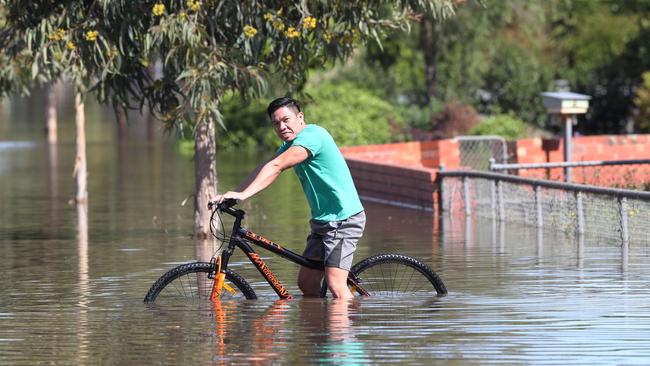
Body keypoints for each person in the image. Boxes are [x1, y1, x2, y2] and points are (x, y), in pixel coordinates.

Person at [213, 96, 365, 299]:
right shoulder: (290, 145)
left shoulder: (313, 136)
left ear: (300, 117)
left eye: (286, 120)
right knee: (307, 283)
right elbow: (264, 167)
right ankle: (319, 329)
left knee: (336, 285)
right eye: (276, 123)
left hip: (343, 220)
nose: (282, 127)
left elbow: (277, 166)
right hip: (323, 222)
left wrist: (244, 195)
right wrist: (232, 193)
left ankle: (348, 326)